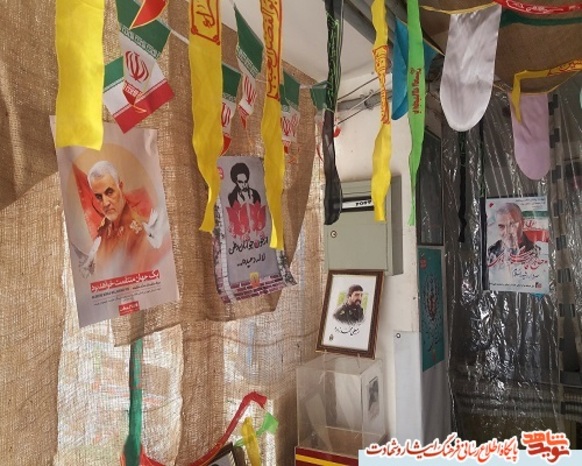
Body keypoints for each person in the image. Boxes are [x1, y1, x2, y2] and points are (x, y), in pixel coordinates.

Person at [87, 160, 161, 277]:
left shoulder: (139, 233)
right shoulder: (103, 230)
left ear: (120, 187)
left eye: (109, 192)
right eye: (99, 197)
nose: (105, 203)